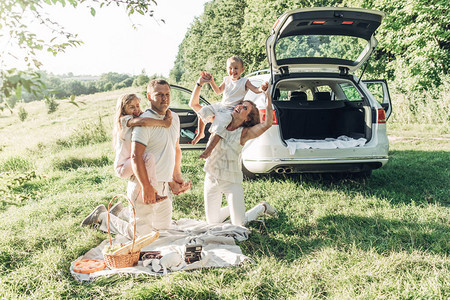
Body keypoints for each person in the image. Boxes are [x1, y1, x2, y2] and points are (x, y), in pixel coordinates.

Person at [81, 79, 192, 238]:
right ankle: (102, 217)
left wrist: (175, 179)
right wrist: (146, 187)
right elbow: (136, 156)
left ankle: (125, 212)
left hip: (163, 186)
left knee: (163, 228)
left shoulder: (174, 117)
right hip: (143, 184)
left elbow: (175, 149)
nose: (164, 98)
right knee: (140, 236)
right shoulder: (141, 122)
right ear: (149, 96)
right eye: (159, 95)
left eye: (167, 94)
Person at [189, 75, 277, 227]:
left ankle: (261, 207)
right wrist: (199, 84)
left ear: (248, 119)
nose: (239, 106)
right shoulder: (218, 119)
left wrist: (267, 94)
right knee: (212, 224)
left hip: (231, 181)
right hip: (211, 178)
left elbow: (268, 123)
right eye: (241, 103)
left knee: (239, 226)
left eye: (245, 108)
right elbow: (194, 105)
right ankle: (236, 208)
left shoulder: (245, 133)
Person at [192, 56, 268, 159]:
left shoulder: (244, 82)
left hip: (231, 110)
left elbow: (256, 90)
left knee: (219, 127)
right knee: (203, 111)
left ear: (242, 69)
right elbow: (218, 91)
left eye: (236, 68)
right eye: (230, 68)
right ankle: (200, 133)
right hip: (221, 105)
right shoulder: (226, 79)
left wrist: (261, 88)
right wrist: (211, 81)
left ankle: (208, 150)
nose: (233, 71)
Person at [113, 93, 172, 202]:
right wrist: (164, 123)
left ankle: (152, 188)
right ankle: (151, 188)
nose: (136, 109)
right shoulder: (124, 120)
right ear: (123, 109)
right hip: (122, 166)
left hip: (128, 163)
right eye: (131, 107)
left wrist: (167, 113)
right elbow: (144, 122)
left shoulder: (137, 116)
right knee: (148, 157)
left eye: (137, 106)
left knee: (148, 158)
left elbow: (147, 117)